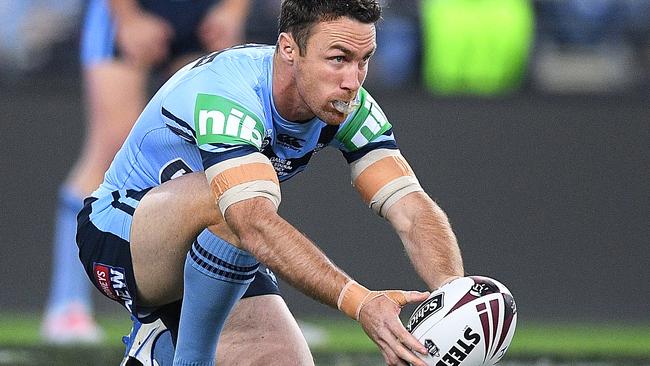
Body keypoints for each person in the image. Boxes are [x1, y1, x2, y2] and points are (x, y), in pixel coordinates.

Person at [75, 0, 465, 365]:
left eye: (364, 60)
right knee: (238, 199)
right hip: (121, 236)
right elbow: (251, 222)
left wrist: (455, 293)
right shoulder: (230, 92)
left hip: (215, 248)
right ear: (289, 49)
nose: (353, 80)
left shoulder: (347, 103)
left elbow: (410, 207)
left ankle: (158, 344)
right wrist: (361, 303)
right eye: (338, 59)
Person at [42, 0, 251, 344]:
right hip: (131, 8)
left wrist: (232, 11)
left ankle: (241, 309)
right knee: (110, 148)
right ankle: (67, 305)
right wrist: (127, 16)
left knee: (211, 152)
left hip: (203, 13)